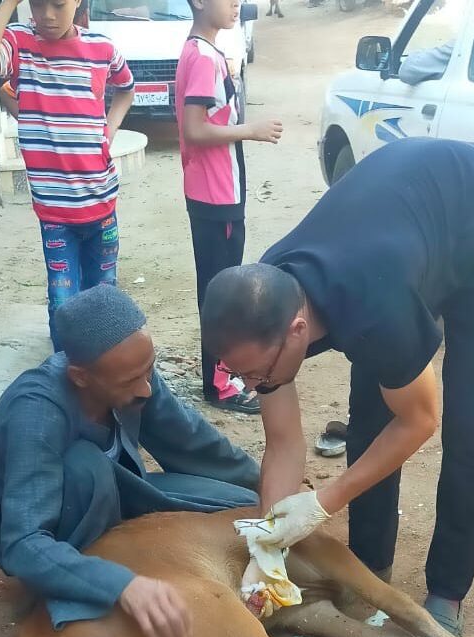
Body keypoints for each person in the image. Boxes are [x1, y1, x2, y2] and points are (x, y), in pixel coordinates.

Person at [200, 137, 474, 636]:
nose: (253, 385)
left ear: (297, 330)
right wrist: (269, 544)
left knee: (469, 424)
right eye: (240, 374)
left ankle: (447, 590)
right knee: (368, 417)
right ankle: (368, 563)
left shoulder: (375, 311)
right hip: (403, 234)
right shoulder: (264, 300)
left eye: (257, 376)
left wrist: (321, 503)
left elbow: (420, 419)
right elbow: (285, 440)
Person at [0, 286, 259, 637]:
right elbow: (23, 542)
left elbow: (189, 437)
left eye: (148, 371)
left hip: (118, 493)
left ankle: (119, 554)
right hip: (63, 525)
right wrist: (122, 584)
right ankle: (76, 579)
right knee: (85, 465)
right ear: (80, 376)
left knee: (243, 504)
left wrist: (265, 483)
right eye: (131, 381)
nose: (146, 389)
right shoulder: (37, 411)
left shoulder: (132, 373)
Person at [0, 0, 135, 352]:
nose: (46, 14)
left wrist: (109, 129)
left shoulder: (101, 47)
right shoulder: (20, 43)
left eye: (58, 5)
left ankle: (103, 364)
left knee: (104, 293)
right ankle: (66, 371)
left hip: (102, 205)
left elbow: (126, 87)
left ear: (77, 2)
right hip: (55, 215)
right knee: (63, 301)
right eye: (37, 3)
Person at [175, 0, 283, 414]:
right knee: (220, 291)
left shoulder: (202, 50)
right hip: (215, 194)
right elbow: (194, 128)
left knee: (218, 285)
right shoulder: (202, 55)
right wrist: (251, 130)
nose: (236, 3)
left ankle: (219, 376)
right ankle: (219, 385)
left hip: (214, 191)